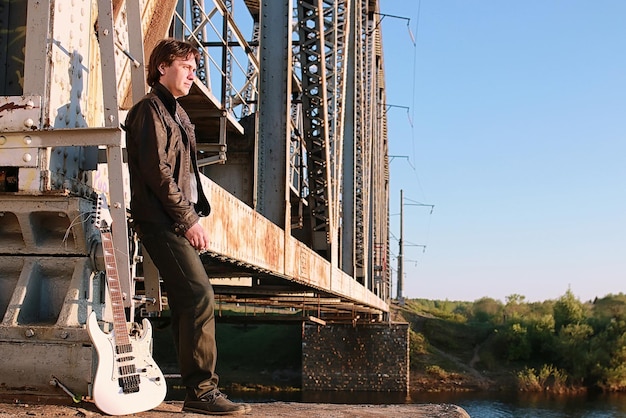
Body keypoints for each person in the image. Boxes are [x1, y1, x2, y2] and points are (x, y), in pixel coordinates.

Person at [124, 38, 250, 415]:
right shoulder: (149, 110)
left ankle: (193, 390)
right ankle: (202, 391)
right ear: (162, 67)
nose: (194, 73)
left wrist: (193, 215)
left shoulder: (176, 113)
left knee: (185, 302)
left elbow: (184, 174)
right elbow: (157, 172)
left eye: (195, 67)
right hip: (160, 219)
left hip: (173, 218)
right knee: (199, 296)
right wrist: (188, 220)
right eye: (186, 66)